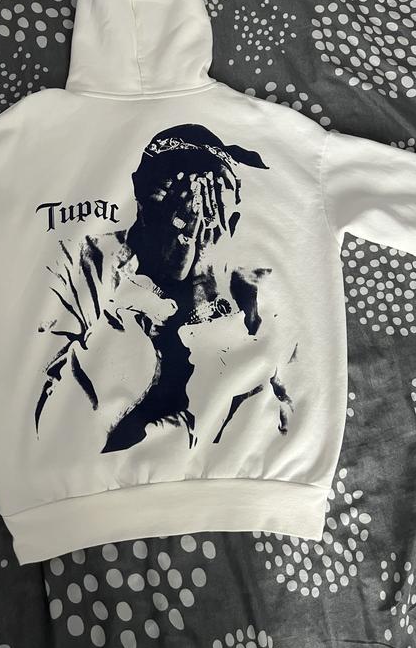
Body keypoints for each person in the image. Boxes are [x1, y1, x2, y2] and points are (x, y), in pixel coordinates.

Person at [34, 123, 298, 453]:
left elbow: (281, 414)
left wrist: (202, 282)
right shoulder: (79, 259)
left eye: (208, 209)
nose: (189, 218)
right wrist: (150, 286)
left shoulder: (249, 288)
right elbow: (52, 418)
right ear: (137, 190)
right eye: (172, 197)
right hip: (92, 463)